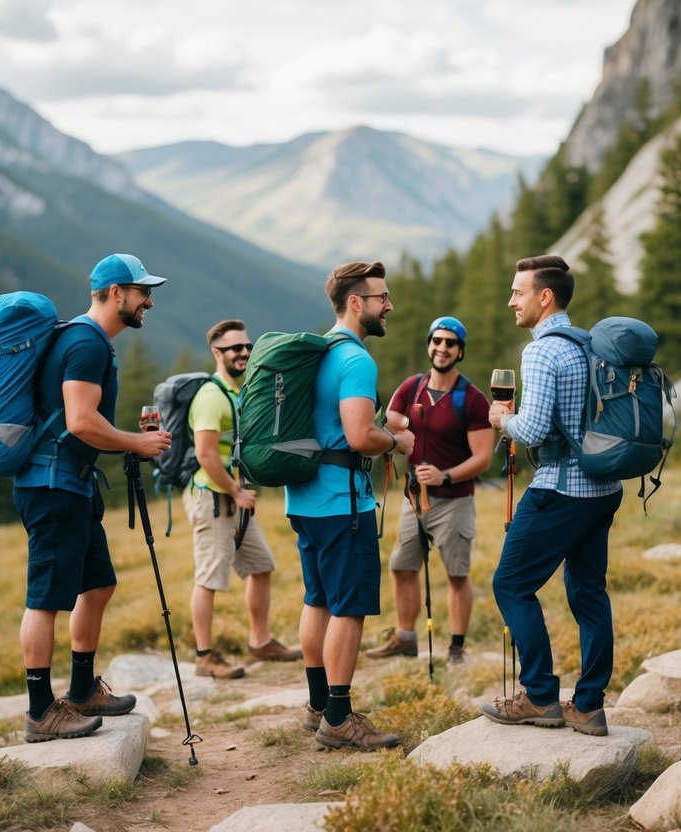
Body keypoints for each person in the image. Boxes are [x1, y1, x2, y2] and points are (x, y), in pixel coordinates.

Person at [14, 253, 173, 742]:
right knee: (45, 599)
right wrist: (135, 441)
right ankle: (41, 711)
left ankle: (82, 690)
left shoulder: (90, 341)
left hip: (73, 483)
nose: (149, 301)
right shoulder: (85, 343)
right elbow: (80, 420)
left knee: (98, 584)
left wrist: (127, 442)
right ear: (115, 293)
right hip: (52, 485)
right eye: (142, 292)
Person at [479, 255, 623, 737]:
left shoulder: (541, 351)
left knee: (510, 583)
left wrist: (503, 421)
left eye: (518, 292)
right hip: (604, 487)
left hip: (561, 488)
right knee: (589, 594)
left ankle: (539, 694)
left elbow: (536, 427)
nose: (510, 301)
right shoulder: (589, 344)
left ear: (545, 297)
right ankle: (589, 705)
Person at [286, 260, 415, 751]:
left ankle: (318, 704)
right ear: (357, 303)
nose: (390, 306)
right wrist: (396, 441)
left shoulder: (320, 350)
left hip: (304, 498)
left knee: (316, 597)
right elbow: (361, 435)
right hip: (343, 502)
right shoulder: (357, 360)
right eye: (382, 298)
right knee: (349, 607)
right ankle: (338, 716)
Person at [367, 316, 493, 664]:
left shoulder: (472, 399)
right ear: (428, 345)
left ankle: (456, 648)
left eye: (450, 343)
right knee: (401, 565)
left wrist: (445, 476)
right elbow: (388, 419)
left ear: (460, 351)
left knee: (456, 574)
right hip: (413, 499)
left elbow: (482, 457)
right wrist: (405, 428)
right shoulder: (412, 387)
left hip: (455, 501)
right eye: (436, 341)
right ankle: (406, 638)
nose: (442, 348)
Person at [187, 319, 303, 680]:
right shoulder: (210, 397)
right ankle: (205, 655)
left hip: (234, 500)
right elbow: (206, 454)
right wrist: (236, 490)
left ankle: (260, 641)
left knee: (261, 565)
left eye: (247, 347)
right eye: (235, 348)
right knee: (209, 577)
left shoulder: (239, 392)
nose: (244, 353)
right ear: (217, 353)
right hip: (213, 498)